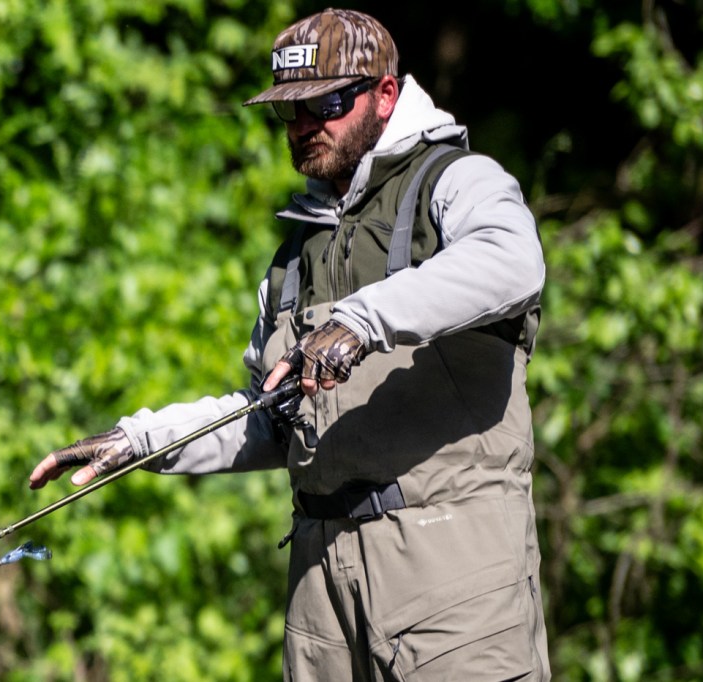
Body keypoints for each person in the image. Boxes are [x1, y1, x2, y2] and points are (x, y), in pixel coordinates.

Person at [29, 8, 550, 680]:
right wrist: (141, 440)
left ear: (385, 94)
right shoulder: (296, 254)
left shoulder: (454, 180)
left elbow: (514, 261)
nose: (304, 125)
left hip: (453, 571)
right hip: (319, 591)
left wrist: (362, 320)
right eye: (289, 110)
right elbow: (269, 420)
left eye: (326, 104)